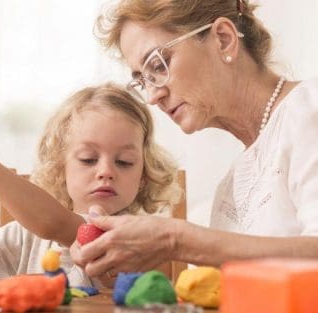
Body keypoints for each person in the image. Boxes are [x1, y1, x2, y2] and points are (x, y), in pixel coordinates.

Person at [70, 0, 318, 278]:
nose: (153, 96)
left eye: (158, 65)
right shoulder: (232, 186)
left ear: (223, 40)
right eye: (143, 80)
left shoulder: (310, 108)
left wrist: (176, 240)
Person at [0, 83, 180, 286]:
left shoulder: (141, 240)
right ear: (60, 167)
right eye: (88, 159)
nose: (106, 171)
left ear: (143, 175)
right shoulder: (24, 236)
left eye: (124, 162)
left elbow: (54, 224)